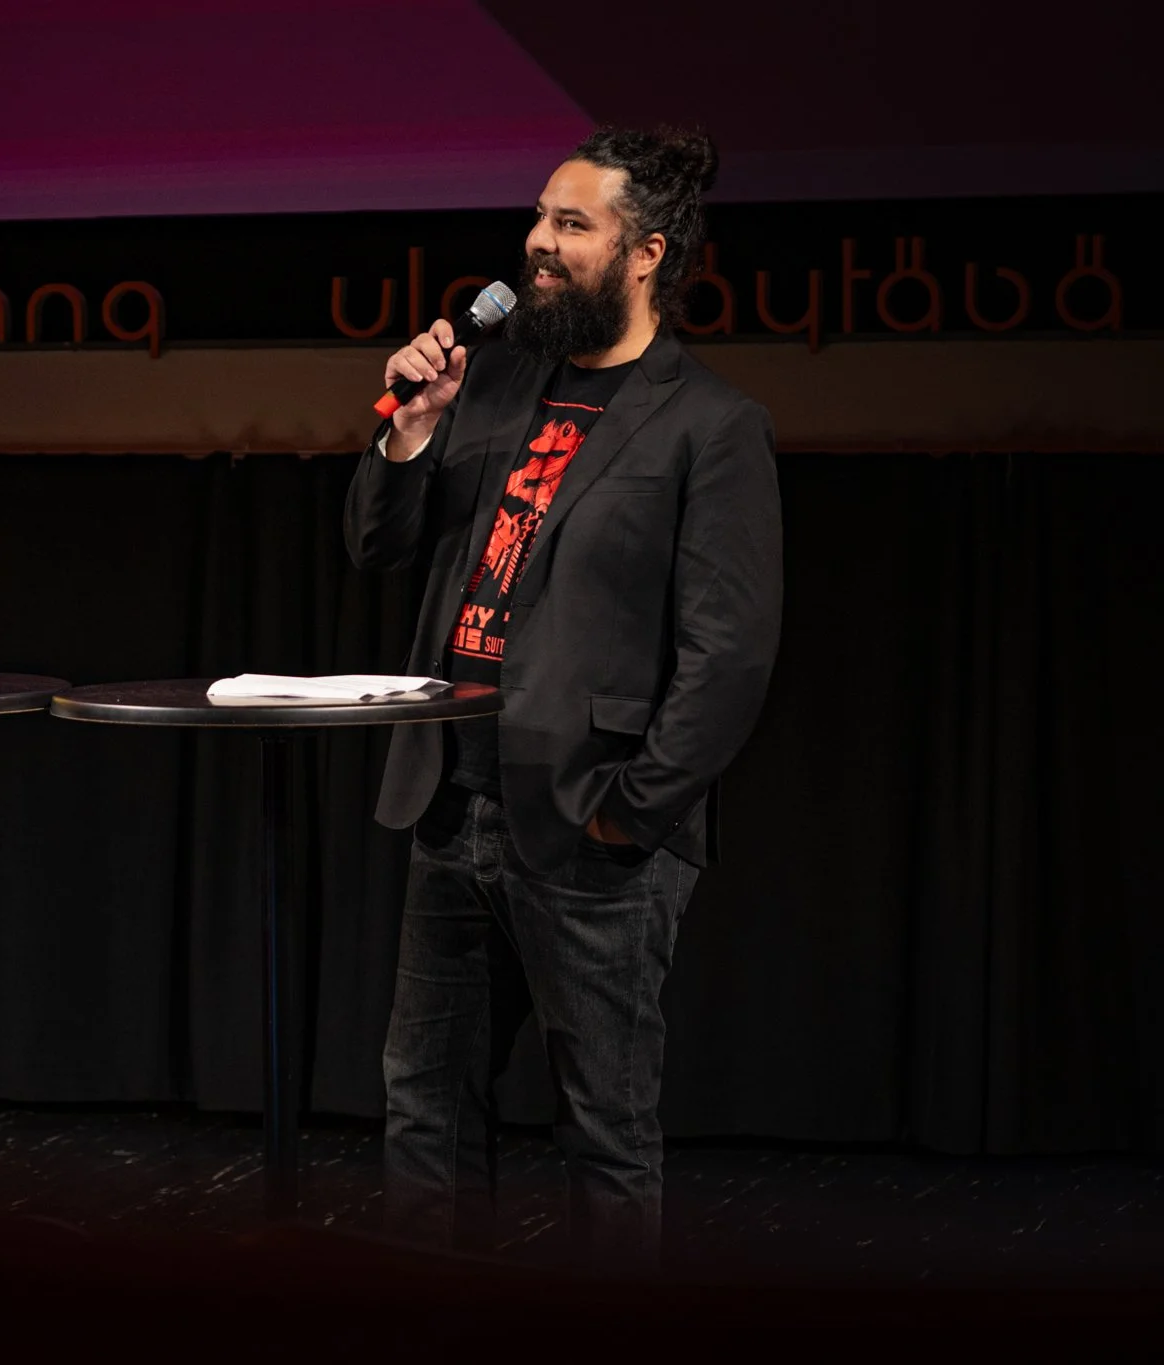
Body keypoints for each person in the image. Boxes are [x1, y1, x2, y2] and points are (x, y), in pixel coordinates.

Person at [344, 128, 782, 1269]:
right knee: (426, 1113)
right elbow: (374, 545)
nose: (535, 243)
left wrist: (631, 810)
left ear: (645, 253)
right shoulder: (486, 389)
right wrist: (415, 426)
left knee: (601, 1130)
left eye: (569, 225)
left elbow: (726, 653)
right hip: (450, 801)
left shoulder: (706, 426)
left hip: (591, 826)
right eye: (537, 218)